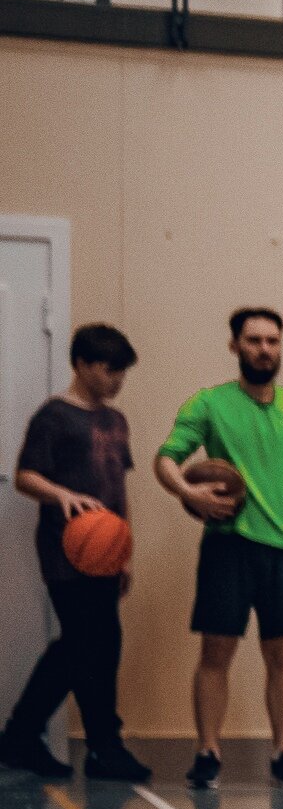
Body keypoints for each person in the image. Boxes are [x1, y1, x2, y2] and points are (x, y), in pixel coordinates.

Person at [155, 307, 283, 791]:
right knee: (216, 652)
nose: (264, 349)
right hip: (227, 547)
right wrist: (187, 493)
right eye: (253, 340)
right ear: (234, 346)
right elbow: (167, 459)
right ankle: (208, 751)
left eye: (272, 341)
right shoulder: (209, 404)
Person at [0, 324, 152, 782]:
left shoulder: (115, 420)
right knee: (89, 644)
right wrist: (61, 494)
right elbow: (25, 475)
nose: (117, 381)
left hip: (107, 551)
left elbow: (119, 488)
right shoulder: (54, 417)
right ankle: (97, 744)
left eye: (123, 372)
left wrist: (125, 550)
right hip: (66, 553)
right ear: (83, 365)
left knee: (96, 645)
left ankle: (27, 738)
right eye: (110, 371)